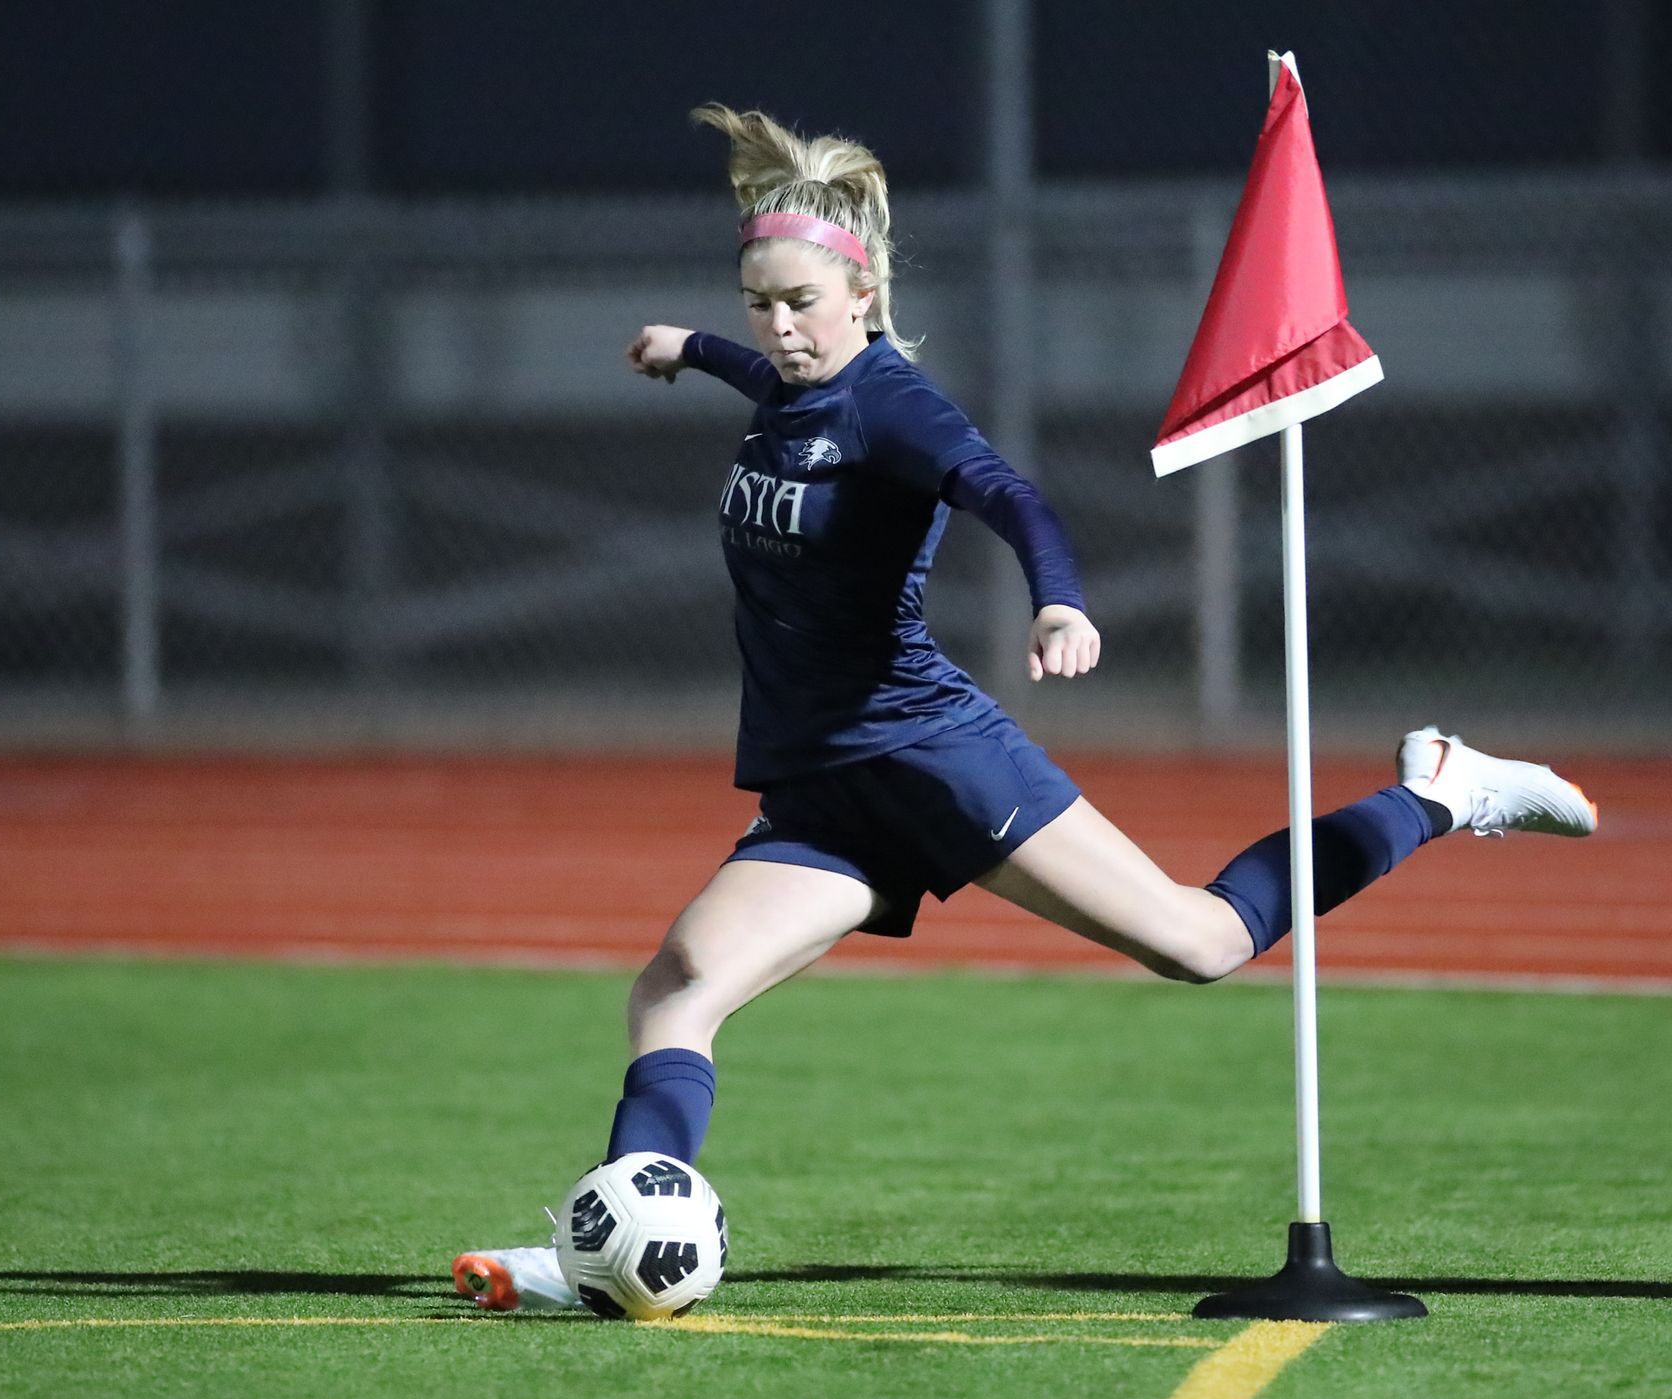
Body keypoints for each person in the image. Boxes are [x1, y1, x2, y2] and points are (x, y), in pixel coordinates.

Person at [452, 106, 1597, 1312]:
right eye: (757, 303)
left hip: (930, 752)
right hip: (826, 785)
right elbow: (776, 390)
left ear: (863, 293)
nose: (778, 327)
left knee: (1200, 942)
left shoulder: (898, 404)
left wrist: (1058, 602)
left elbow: (1011, 495)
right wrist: (692, 346)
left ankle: (1435, 791)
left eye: (799, 302)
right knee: (678, 983)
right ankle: (615, 1243)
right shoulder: (787, 380)